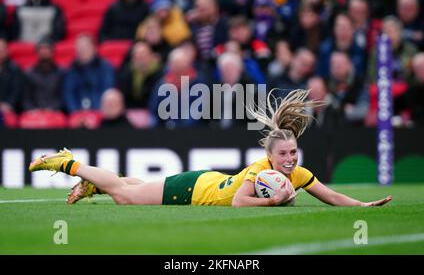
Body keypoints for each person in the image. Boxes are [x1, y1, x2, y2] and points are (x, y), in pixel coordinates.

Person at [29, 89, 392, 207]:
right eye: (284, 154)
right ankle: (69, 163)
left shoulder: (295, 173)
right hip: (194, 189)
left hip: (206, 181)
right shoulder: (259, 173)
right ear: (270, 156)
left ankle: (95, 183)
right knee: (124, 196)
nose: (290, 158)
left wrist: (362, 205)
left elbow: (328, 196)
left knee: (132, 188)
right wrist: (272, 201)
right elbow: (238, 203)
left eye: (293, 153)